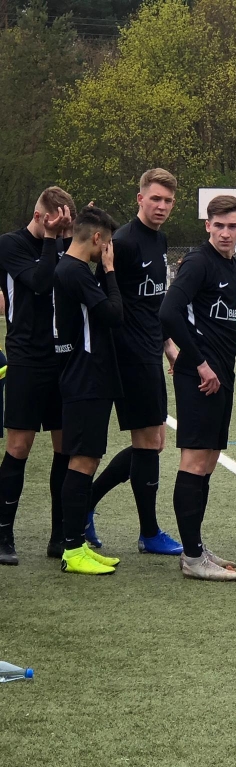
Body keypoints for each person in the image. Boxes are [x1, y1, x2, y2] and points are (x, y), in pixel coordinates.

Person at [87, 169, 182, 556]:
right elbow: (101, 300)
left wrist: (168, 345)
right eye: (155, 198)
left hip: (150, 351)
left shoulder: (160, 239)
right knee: (147, 443)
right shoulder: (122, 242)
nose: (161, 206)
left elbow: (152, 302)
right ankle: (148, 532)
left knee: (154, 443)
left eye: (168, 201)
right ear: (140, 198)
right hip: (128, 355)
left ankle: (85, 504)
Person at [159, 195, 236, 581]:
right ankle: (193, 558)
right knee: (194, 462)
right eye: (219, 225)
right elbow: (168, 312)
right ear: (207, 226)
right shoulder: (198, 262)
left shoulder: (234, 267)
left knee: (208, 461)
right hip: (200, 376)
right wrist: (198, 363)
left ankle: (195, 547)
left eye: (232, 226)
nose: (225, 233)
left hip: (220, 375)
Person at [0, 186, 76, 566]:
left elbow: (75, 282)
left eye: (65, 226)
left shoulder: (62, 243)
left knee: (65, 449)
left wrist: (69, 237)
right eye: (56, 224)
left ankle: (58, 535)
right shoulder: (10, 245)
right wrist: (50, 239)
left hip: (61, 359)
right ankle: (3, 534)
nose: (60, 232)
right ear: (39, 217)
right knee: (19, 447)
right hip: (27, 359)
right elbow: (41, 282)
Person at [53, 206, 123, 575]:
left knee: (87, 459)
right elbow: (113, 314)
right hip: (84, 378)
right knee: (81, 462)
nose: (107, 250)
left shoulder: (72, 268)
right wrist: (109, 271)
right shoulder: (75, 271)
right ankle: (72, 549)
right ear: (97, 238)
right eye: (106, 244)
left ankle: (77, 542)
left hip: (87, 376)